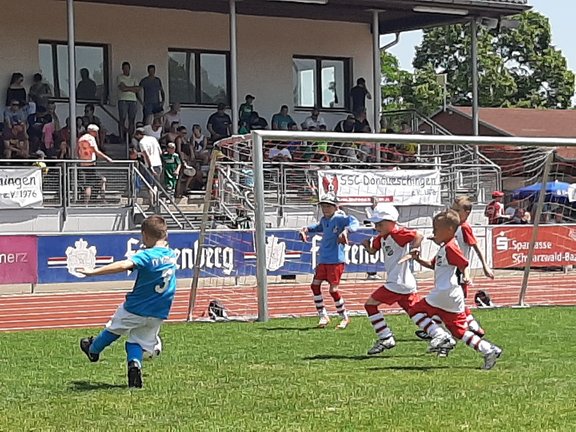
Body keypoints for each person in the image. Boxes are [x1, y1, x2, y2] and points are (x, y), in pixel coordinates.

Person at [78, 215, 178, 388]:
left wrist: (93, 272)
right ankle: (134, 365)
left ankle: (93, 350)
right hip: (158, 311)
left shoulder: (146, 256)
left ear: (145, 236)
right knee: (136, 341)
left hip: (135, 307)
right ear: (165, 234)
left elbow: (124, 265)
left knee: (114, 329)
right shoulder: (171, 254)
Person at [409, 210, 503, 370]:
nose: (433, 233)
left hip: (445, 292)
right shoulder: (445, 247)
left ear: (449, 230)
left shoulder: (451, 247)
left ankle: (440, 335)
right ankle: (488, 350)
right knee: (459, 331)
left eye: (436, 229)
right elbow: (433, 265)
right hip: (452, 296)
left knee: (414, 310)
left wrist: (466, 275)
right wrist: (418, 259)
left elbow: (463, 262)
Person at [416, 196, 494, 341]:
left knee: (454, 301)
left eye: (457, 210)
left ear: (467, 212)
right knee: (452, 301)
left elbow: (475, 246)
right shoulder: (453, 227)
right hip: (452, 264)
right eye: (452, 209)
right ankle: (470, 327)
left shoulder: (464, 228)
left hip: (458, 268)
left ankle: (471, 327)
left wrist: (484, 266)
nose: (454, 212)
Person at [361, 203, 423, 355]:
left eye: (380, 224)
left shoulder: (397, 234)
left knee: (370, 305)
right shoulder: (382, 237)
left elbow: (418, 235)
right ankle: (439, 334)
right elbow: (373, 250)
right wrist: (366, 247)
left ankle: (385, 337)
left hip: (397, 282)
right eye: (376, 224)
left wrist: (415, 248)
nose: (377, 227)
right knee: (415, 311)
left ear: (391, 222)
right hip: (402, 282)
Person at [299, 193, 360, 329]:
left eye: (328, 206)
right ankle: (323, 315)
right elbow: (319, 227)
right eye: (323, 206)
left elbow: (354, 222)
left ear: (335, 207)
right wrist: (306, 229)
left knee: (333, 290)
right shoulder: (324, 220)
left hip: (335, 261)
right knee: (315, 286)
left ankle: (344, 317)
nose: (325, 209)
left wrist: (346, 231)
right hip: (323, 260)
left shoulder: (339, 218)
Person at [77, 124, 112, 204]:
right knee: (89, 184)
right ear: (92, 131)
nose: (97, 134)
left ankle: (94, 200)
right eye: (96, 132)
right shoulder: (90, 138)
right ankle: (89, 202)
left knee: (99, 180)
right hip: (90, 164)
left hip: (83, 163)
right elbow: (96, 151)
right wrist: (107, 158)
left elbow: (77, 151)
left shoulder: (81, 139)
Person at [364, 196, 380, 280]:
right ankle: (370, 272)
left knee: (377, 253)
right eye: (373, 201)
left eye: (376, 201)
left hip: (378, 232)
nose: (374, 203)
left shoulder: (380, 209)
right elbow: (368, 219)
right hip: (370, 232)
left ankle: (375, 272)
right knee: (370, 252)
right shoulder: (367, 209)